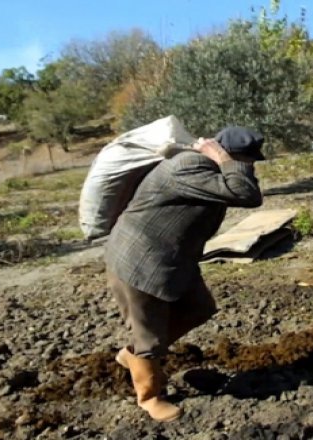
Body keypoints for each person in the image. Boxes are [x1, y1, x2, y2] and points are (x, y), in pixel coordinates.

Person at [104, 126, 265, 422]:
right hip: (141, 260)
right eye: (246, 160)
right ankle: (149, 397)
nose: (249, 166)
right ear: (224, 152)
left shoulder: (208, 169)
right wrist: (224, 159)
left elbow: (242, 189)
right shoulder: (189, 166)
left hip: (173, 258)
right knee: (149, 335)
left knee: (199, 308)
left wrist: (227, 162)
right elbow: (246, 194)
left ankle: (133, 355)